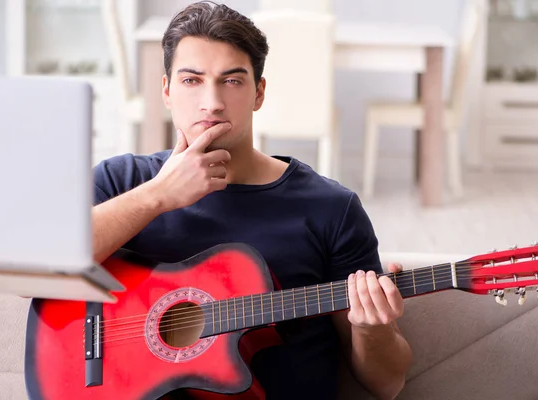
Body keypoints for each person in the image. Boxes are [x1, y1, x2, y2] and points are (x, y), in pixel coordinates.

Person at [92, 1, 412, 399]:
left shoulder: (332, 208)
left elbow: (387, 384)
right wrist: (158, 195)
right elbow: (44, 266)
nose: (212, 102)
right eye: (192, 80)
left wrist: (373, 327)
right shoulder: (120, 181)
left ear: (259, 92)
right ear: (167, 91)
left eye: (232, 81)